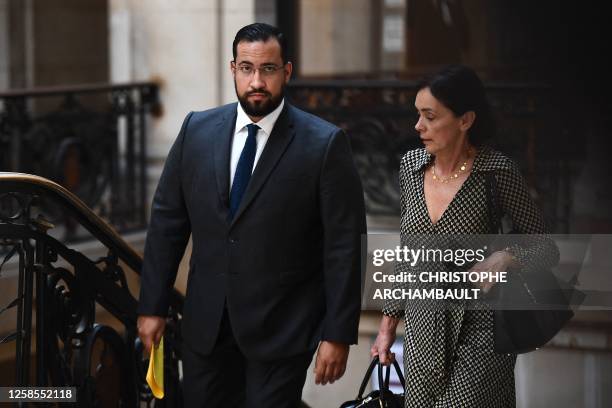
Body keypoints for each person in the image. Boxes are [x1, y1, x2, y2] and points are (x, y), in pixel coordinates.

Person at [137, 23, 366, 407]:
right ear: (233, 69)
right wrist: (151, 306)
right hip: (206, 328)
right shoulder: (197, 130)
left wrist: (337, 334)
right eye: (247, 68)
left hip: (282, 330)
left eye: (268, 69)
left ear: (287, 71)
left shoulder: (325, 145)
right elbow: (166, 224)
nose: (256, 81)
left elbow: (344, 246)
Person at [370, 65, 559, 407]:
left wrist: (505, 258)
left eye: (430, 116)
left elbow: (546, 247)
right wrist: (387, 327)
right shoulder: (411, 167)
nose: (418, 126)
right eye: (417, 114)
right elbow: (408, 255)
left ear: (465, 120)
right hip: (422, 330)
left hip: (480, 330)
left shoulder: (496, 171)